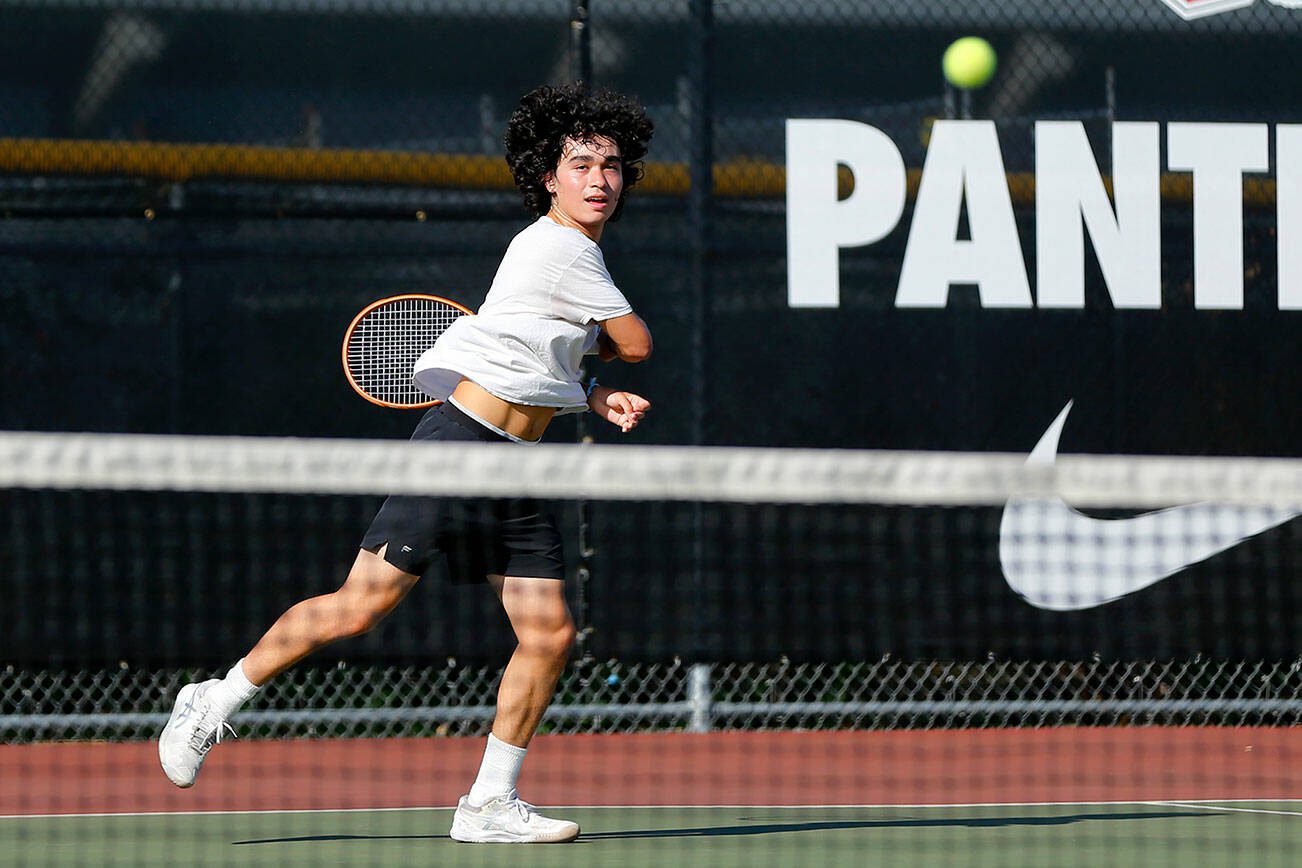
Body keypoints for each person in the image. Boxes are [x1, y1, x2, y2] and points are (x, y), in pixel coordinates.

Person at [157, 82, 655, 845]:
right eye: (581, 163)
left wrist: (591, 395)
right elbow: (639, 341)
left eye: (613, 165)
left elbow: (529, 361)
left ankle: (488, 802)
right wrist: (609, 360)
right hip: (462, 449)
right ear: (548, 178)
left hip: (520, 463)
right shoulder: (557, 247)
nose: (600, 179)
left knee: (548, 635)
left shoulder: (572, 258)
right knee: (360, 608)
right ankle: (214, 701)